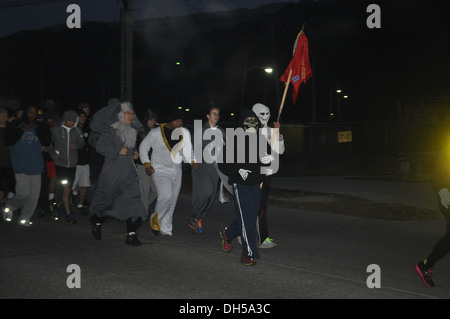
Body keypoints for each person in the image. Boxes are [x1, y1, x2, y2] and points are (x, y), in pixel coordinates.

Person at [88, 101, 147, 246]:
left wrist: (134, 153)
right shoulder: (111, 129)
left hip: (128, 171)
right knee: (106, 199)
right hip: (112, 170)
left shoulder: (133, 131)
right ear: (121, 115)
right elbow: (100, 147)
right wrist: (117, 151)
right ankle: (96, 221)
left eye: (132, 113)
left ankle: (131, 235)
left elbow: (130, 148)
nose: (131, 116)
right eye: (128, 113)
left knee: (134, 201)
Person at [218, 109, 272, 266]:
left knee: (251, 215)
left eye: (254, 121)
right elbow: (222, 163)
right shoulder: (235, 139)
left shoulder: (261, 140)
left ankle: (228, 233)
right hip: (240, 184)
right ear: (242, 123)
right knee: (246, 217)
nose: (252, 123)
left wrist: (268, 159)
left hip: (255, 184)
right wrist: (237, 170)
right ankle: (247, 253)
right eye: (248, 120)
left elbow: (269, 160)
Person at [139, 109, 197, 236]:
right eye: (177, 120)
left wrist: (193, 160)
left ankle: (165, 227)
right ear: (170, 121)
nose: (180, 122)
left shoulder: (184, 132)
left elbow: (188, 149)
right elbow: (143, 147)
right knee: (166, 196)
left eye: (181, 120)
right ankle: (155, 219)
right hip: (159, 170)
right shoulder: (155, 132)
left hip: (177, 171)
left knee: (173, 200)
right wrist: (147, 163)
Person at [2, 105, 50, 226]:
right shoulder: (16, 124)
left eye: (35, 113)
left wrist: (38, 129)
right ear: (25, 112)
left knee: (34, 196)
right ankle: (10, 207)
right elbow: (8, 139)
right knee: (23, 193)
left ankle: (25, 218)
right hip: (21, 165)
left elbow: (47, 139)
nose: (32, 115)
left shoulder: (40, 126)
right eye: (30, 112)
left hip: (36, 165)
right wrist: (21, 129)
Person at [415, 142, 450, 287]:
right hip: (447, 197)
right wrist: (443, 191)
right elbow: (436, 173)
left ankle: (426, 265)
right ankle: (426, 265)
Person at [251, 103, 285, 249]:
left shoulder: (273, 131)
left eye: (267, 114)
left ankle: (239, 232)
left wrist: (278, 135)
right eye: (262, 114)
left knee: (258, 205)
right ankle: (262, 238)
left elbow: (280, 151)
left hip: (267, 174)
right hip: (255, 173)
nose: (265, 117)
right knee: (258, 205)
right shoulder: (251, 131)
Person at [187, 106, 225, 234]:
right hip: (201, 167)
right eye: (213, 114)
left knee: (210, 196)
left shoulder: (221, 131)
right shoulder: (200, 131)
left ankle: (198, 218)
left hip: (215, 168)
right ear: (208, 116)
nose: (216, 116)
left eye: (217, 114)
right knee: (205, 193)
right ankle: (193, 217)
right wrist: (192, 160)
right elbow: (189, 147)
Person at [47, 110, 85, 224]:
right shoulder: (56, 130)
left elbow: (82, 144)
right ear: (65, 120)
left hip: (72, 165)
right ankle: (69, 215)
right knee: (66, 189)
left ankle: (57, 206)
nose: (72, 123)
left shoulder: (77, 131)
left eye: (74, 121)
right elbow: (49, 143)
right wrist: (54, 155)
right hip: (60, 164)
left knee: (67, 190)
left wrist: (76, 146)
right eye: (69, 121)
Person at [135, 108, 158, 216]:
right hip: (142, 165)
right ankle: (143, 213)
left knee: (156, 191)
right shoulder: (141, 132)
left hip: (153, 166)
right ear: (146, 120)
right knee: (145, 191)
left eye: (154, 120)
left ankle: (142, 207)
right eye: (151, 120)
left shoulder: (154, 131)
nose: (152, 122)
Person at [70, 109, 92, 213]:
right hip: (76, 161)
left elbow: (89, 143)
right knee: (74, 184)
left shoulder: (87, 128)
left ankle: (80, 204)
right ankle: (72, 197)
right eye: (80, 116)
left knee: (85, 184)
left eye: (84, 116)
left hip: (85, 160)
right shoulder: (73, 129)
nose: (82, 118)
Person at [0, 107, 15, 206]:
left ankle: (5, 201)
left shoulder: (11, 129)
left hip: (10, 163)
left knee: (11, 187)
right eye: (1, 115)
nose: (3, 117)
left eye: (5, 115)